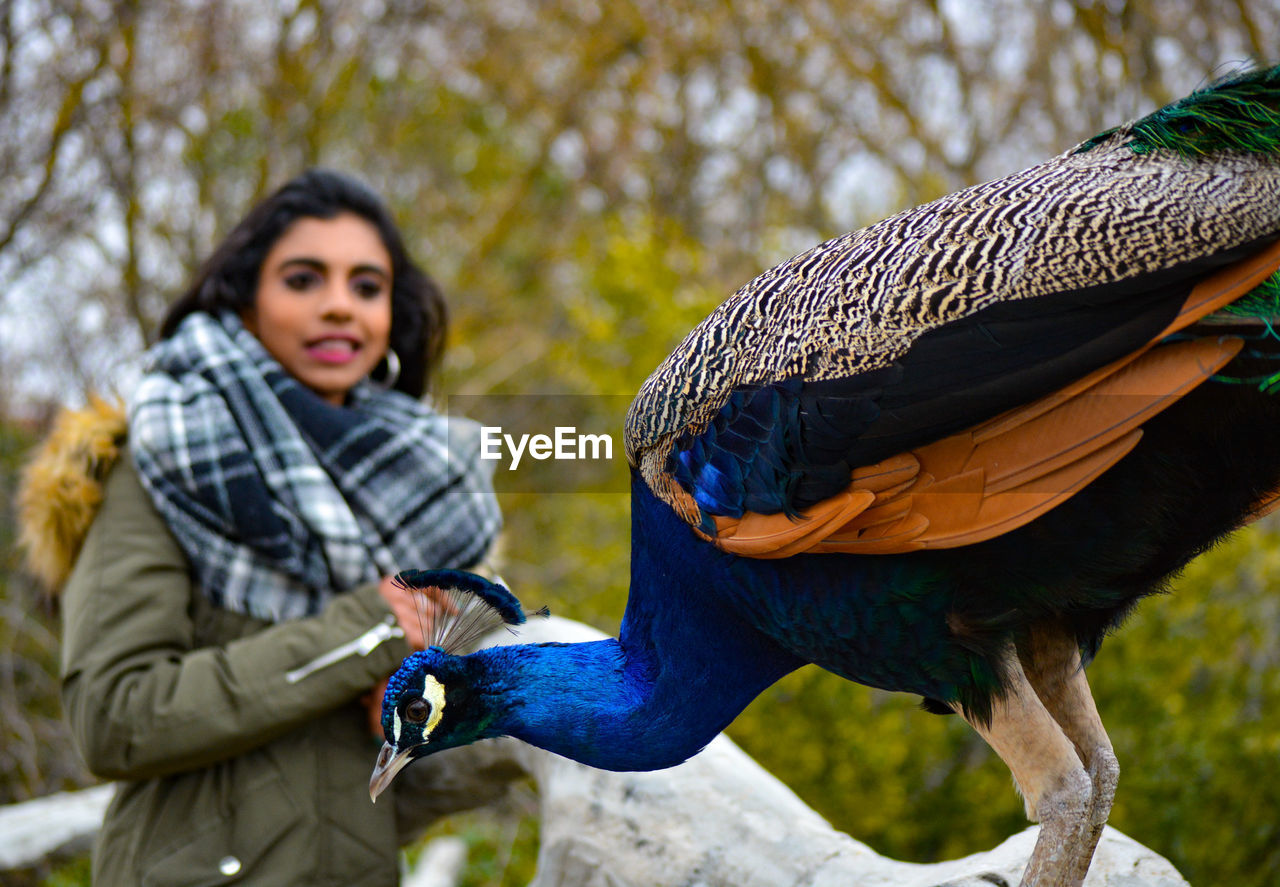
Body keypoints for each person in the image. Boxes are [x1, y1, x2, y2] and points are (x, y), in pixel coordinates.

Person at [18, 169, 505, 885]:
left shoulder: (426, 487)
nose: (340, 306)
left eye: (367, 286)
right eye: (304, 280)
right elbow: (113, 716)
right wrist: (367, 631)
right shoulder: (163, 459)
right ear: (246, 304)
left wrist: (429, 694)